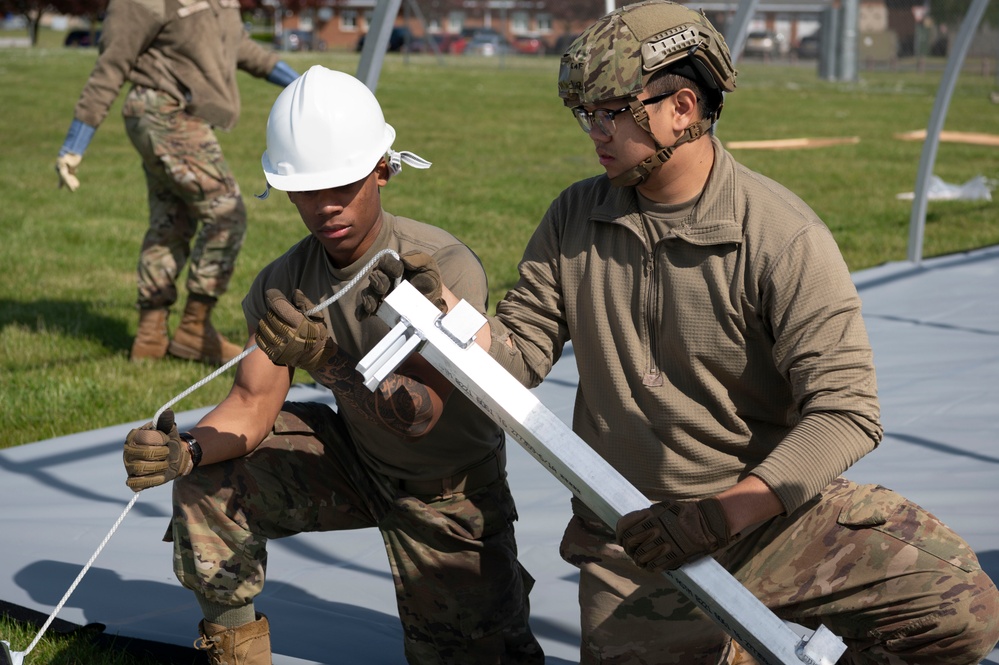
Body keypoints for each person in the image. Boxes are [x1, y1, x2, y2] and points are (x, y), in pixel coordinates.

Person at [363, 2, 999, 663]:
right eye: (588, 114)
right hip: (633, 539)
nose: (595, 132)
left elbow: (846, 411)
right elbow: (520, 348)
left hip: (765, 517)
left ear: (683, 107)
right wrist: (444, 315)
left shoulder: (780, 236)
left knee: (965, 606)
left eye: (612, 111)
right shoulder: (574, 218)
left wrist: (721, 514)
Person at [121, 65, 544, 665]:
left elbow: (423, 416)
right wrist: (185, 450)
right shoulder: (285, 281)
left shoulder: (437, 268)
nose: (327, 207)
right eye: (309, 191)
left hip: (448, 492)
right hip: (355, 458)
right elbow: (252, 405)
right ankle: (233, 649)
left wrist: (325, 357)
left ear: (381, 170)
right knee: (211, 478)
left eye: (343, 185)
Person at [55, 0, 300, 364]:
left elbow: (240, 48)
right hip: (162, 112)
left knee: (172, 221)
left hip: (179, 116)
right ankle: (194, 328)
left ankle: (150, 337)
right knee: (226, 211)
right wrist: (75, 144)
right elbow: (112, 64)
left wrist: (305, 83)